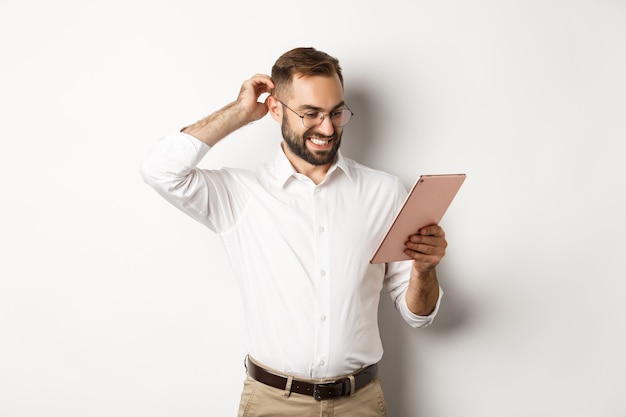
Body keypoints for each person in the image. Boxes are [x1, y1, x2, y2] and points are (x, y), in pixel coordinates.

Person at [140, 47, 447, 417]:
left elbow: (418, 314)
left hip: (360, 404)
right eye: (310, 114)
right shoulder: (239, 194)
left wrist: (424, 270)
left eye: (336, 112)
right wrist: (239, 113)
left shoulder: (385, 192)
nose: (328, 128)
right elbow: (160, 171)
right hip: (272, 404)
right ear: (275, 110)